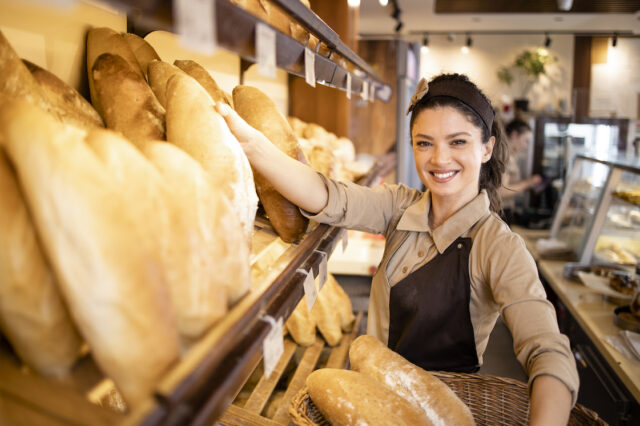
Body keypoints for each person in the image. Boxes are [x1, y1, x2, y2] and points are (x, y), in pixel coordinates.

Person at [215, 73, 578, 425]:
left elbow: (547, 352)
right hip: (376, 403)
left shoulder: (498, 246)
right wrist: (250, 143)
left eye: (457, 142)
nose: (439, 159)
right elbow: (326, 195)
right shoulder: (399, 207)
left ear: (487, 148)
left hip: (444, 415)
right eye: (424, 143)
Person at [499, 118, 542, 225]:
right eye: (525, 141)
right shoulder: (504, 155)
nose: (525, 146)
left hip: (506, 209)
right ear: (514, 135)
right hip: (500, 211)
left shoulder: (512, 154)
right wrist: (529, 183)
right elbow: (502, 191)